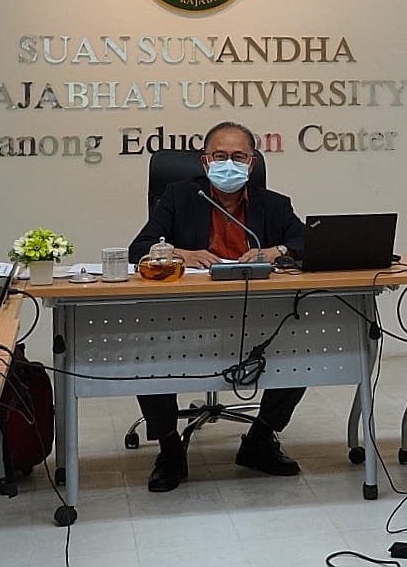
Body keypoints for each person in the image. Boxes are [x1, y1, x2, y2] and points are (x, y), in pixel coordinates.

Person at [126, 121, 307, 493]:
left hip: (258, 313)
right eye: (220, 156)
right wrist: (180, 253)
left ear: (252, 163)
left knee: (304, 349)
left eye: (238, 156)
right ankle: (170, 450)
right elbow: (138, 249)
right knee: (149, 352)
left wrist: (277, 250)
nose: (229, 164)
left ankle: (259, 440)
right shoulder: (179, 197)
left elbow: (308, 241)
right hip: (185, 312)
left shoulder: (275, 204)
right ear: (205, 162)